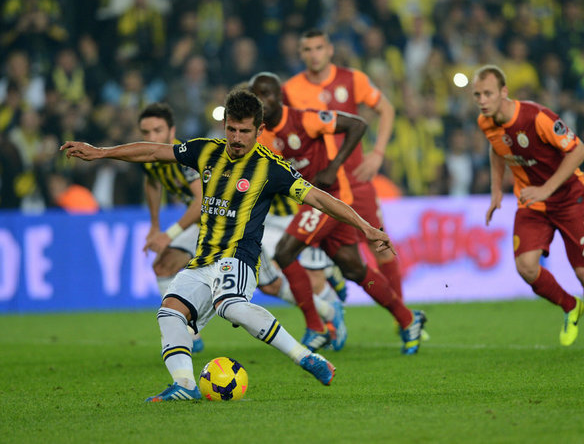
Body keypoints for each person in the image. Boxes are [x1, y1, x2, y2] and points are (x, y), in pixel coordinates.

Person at [60, 89, 395, 401]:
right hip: (203, 259)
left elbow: (320, 199)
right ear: (224, 125)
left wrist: (365, 227)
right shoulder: (205, 150)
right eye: (231, 129)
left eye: (244, 131)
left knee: (230, 306)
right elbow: (152, 151)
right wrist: (101, 152)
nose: (236, 138)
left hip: (238, 257)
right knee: (169, 313)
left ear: (259, 130)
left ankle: (306, 357)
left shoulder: (272, 168)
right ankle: (184, 384)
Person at [250, 72, 426, 355]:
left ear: (279, 96)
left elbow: (358, 124)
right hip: (313, 203)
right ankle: (408, 318)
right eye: (256, 96)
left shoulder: (305, 119)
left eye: (267, 94)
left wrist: (333, 167)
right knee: (354, 269)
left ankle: (316, 327)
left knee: (284, 252)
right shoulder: (263, 138)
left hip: (333, 200)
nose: (262, 101)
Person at [282, 29, 427, 339]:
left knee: (380, 247)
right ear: (301, 53)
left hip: (356, 180)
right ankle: (336, 305)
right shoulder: (290, 90)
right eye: (307, 49)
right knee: (318, 258)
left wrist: (378, 153)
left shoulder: (352, 79)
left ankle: (400, 317)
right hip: (319, 188)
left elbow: (386, 109)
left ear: (329, 50)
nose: (313, 54)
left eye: (318, 48)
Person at [472, 64, 584, 356]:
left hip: (570, 199)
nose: (482, 100)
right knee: (525, 267)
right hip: (533, 202)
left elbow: (579, 150)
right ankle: (571, 306)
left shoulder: (537, 117)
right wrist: (496, 189)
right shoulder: (485, 122)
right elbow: (496, 148)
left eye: (488, 93)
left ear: (503, 91)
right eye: (477, 95)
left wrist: (547, 189)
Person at [137, 102, 205, 353]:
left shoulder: (185, 157)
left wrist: (169, 235)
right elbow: (153, 183)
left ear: (171, 131)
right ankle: (188, 334)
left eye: (158, 130)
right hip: (202, 224)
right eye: (146, 132)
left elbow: (201, 203)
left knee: (270, 284)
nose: (152, 137)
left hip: (225, 221)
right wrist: (154, 225)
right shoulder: (149, 158)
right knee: (163, 266)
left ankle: (319, 310)